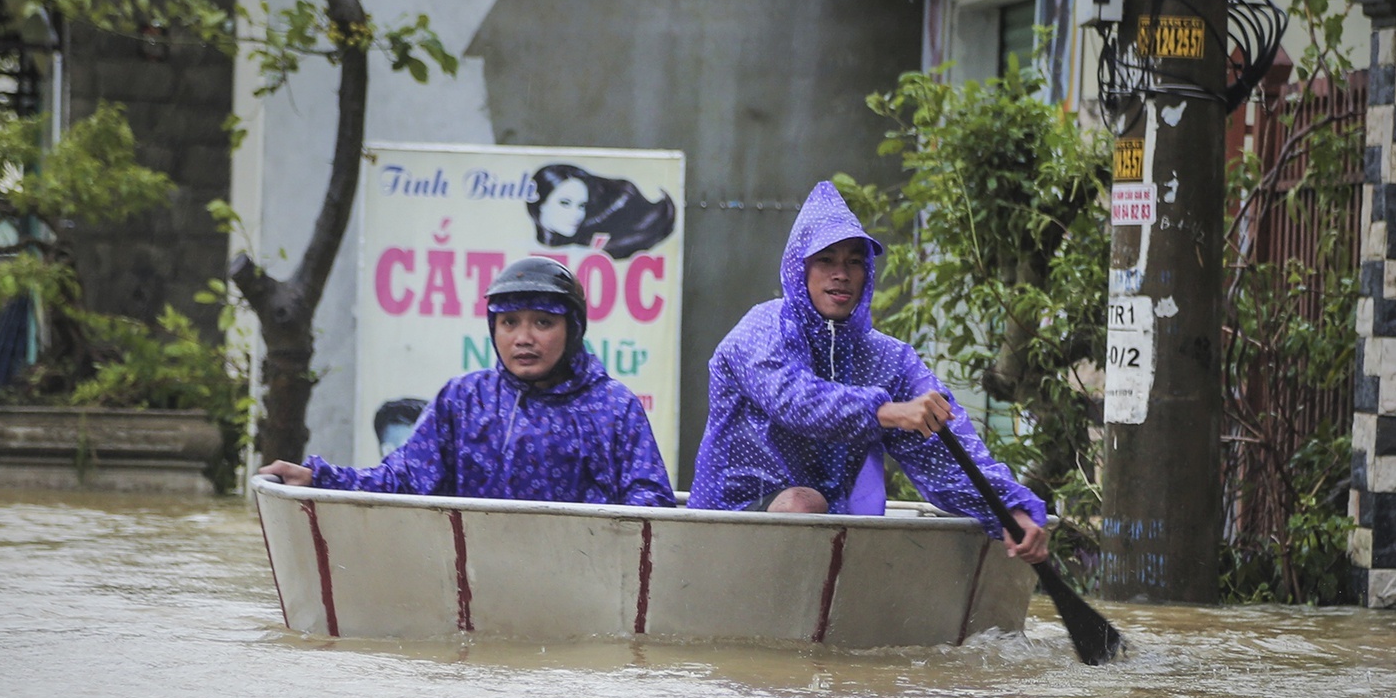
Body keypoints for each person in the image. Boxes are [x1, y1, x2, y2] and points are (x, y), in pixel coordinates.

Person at [689, 181, 1051, 564]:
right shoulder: (760, 329)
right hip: (727, 522)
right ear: (801, 268)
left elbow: (948, 450)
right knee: (803, 502)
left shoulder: (889, 360)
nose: (841, 274)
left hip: (828, 534)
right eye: (826, 260)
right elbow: (795, 400)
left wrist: (1009, 509)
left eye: (854, 261)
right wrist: (889, 412)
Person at [260, 258, 674, 506]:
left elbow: (648, 504)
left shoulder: (613, 407)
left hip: (583, 591)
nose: (523, 338)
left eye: (543, 323)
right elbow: (402, 481)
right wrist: (319, 478)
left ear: (574, 331)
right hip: (475, 583)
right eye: (509, 323)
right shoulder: (464, 399)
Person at [526, 162, 677, 259]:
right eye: (565, 203)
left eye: (582, 206)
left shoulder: (586, 246)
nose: (576, 214)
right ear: (540, 203)